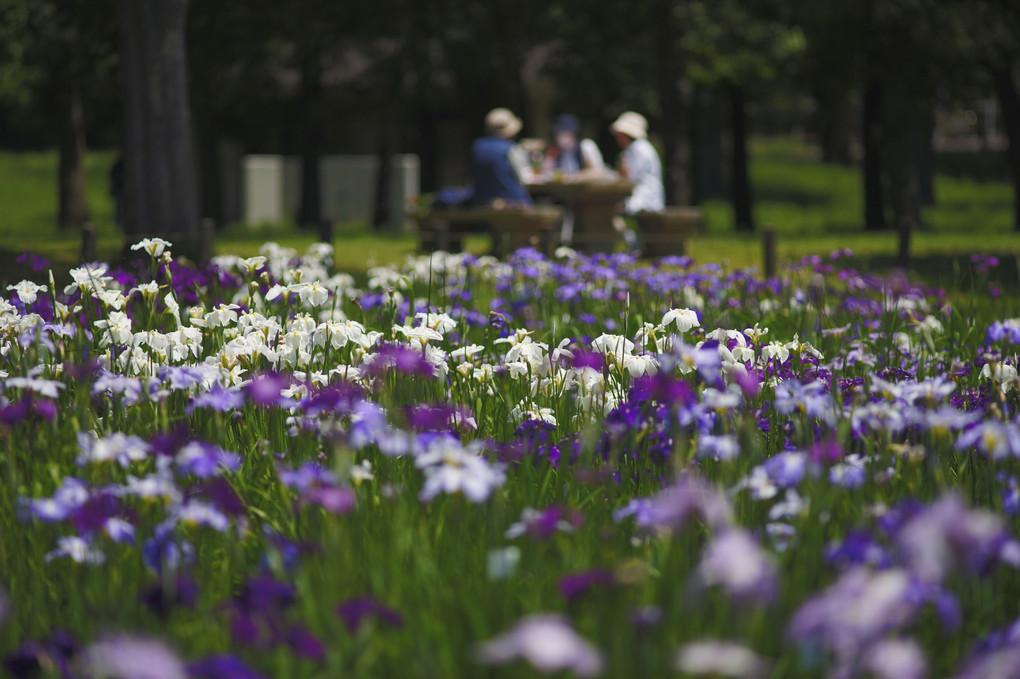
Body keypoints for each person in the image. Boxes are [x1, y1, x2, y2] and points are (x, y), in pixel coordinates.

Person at [471, 108, 532, 206]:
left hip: (482, 202)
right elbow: (525, 177)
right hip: (512, 202)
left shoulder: (477, 146)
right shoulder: (512, 149)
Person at [610, 111, 664, 214]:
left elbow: (629, 179)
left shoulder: (639, 148)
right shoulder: (634, 149)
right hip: (642, 200)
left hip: (644, 201)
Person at [543, 114, 605, 179]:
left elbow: (599, 172)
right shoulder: (555, 151)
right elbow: (546, 173)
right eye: (558, 135)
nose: (560, 138)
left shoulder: (586, 146)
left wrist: (577, 176)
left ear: (574, 134)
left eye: (565, 134)